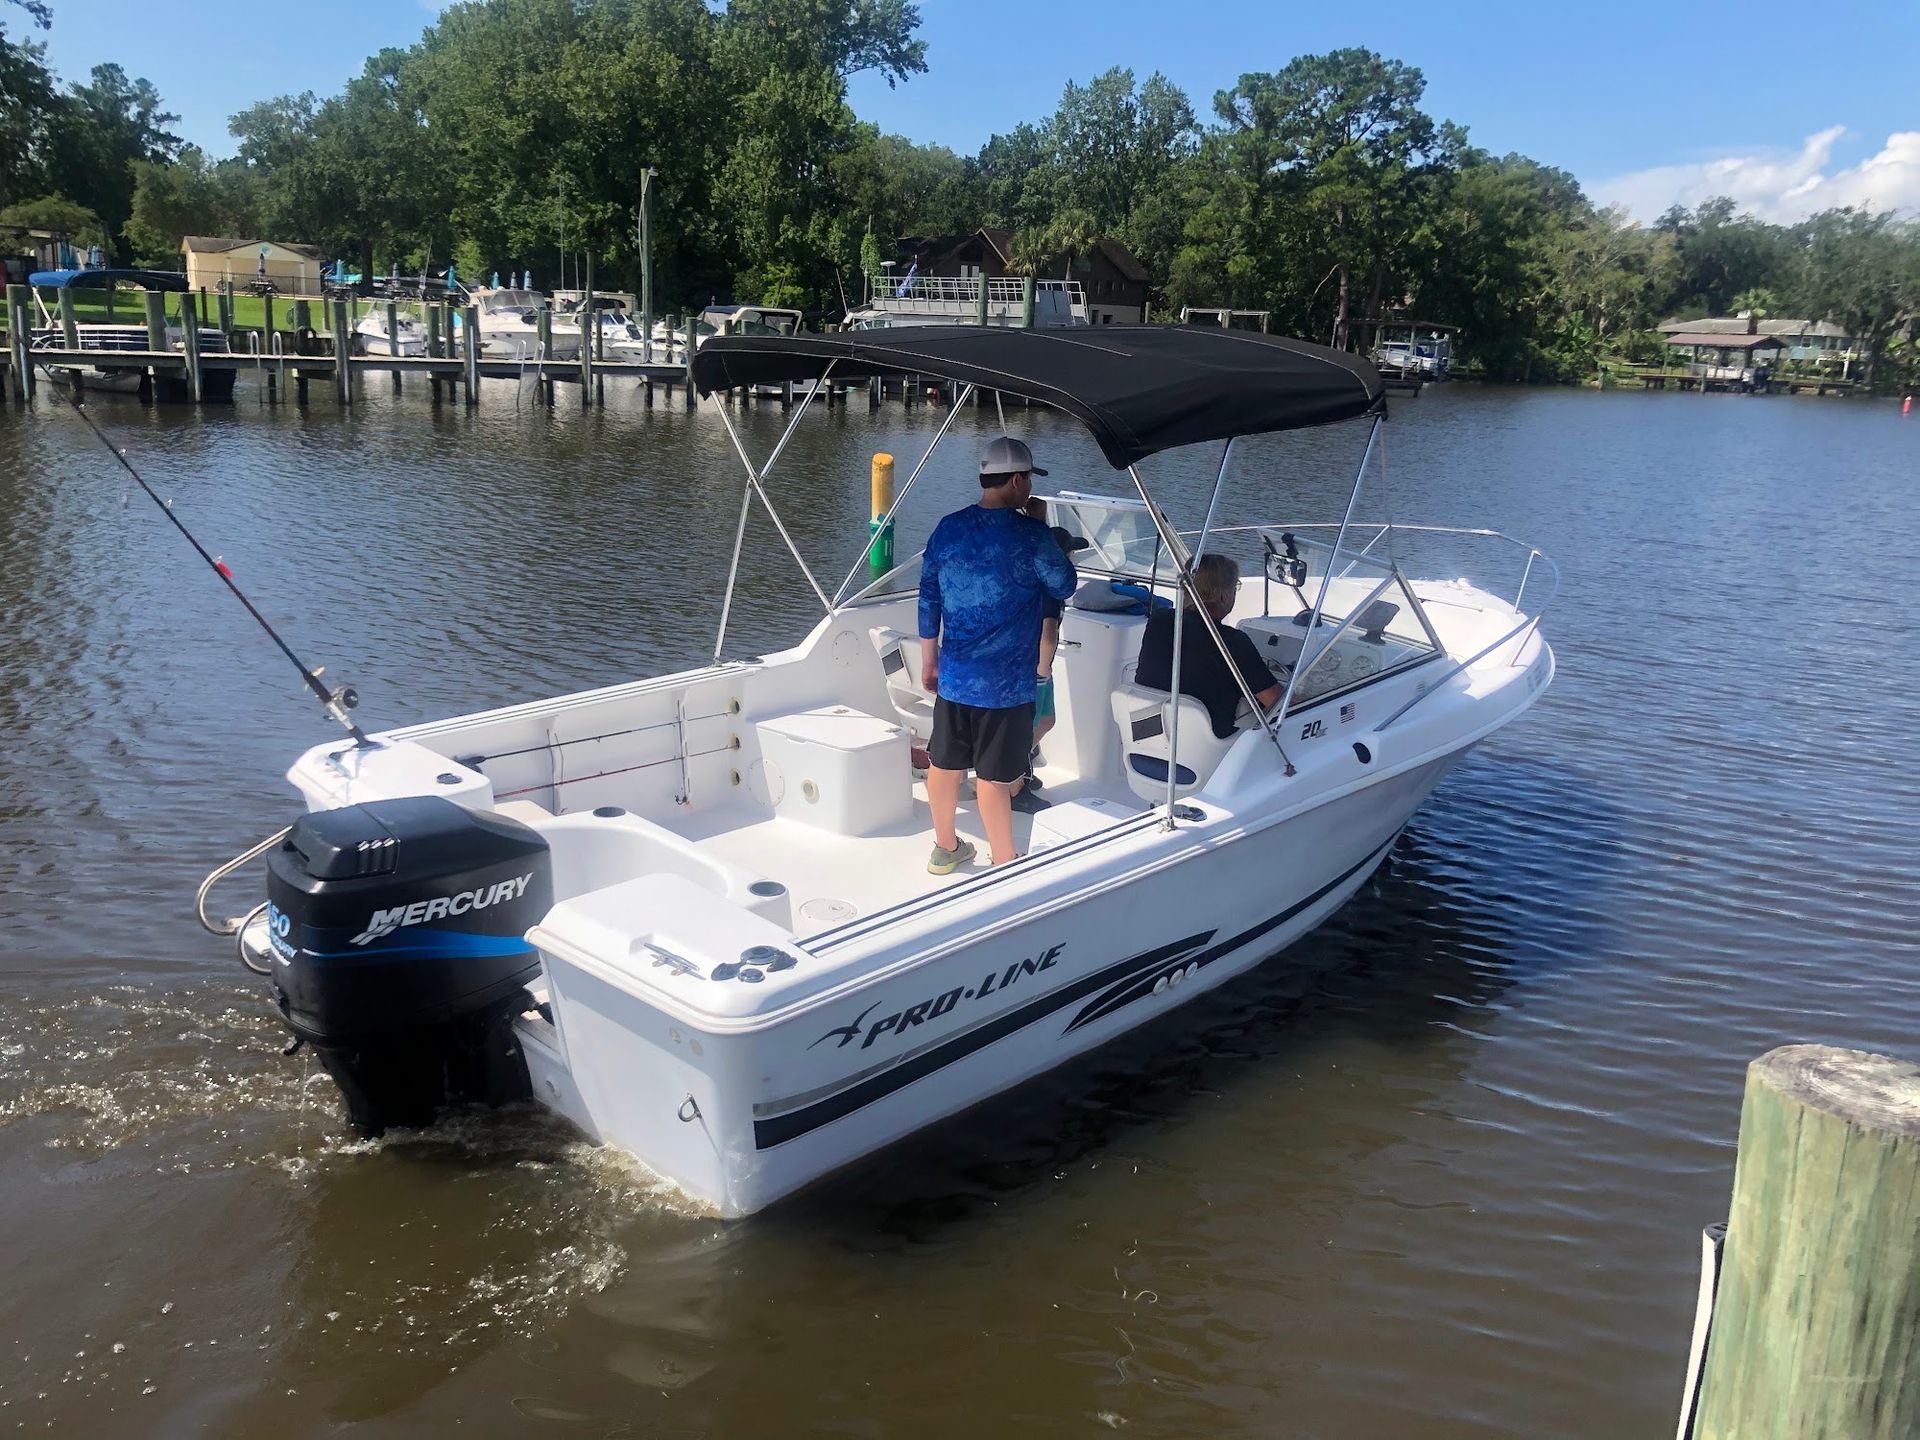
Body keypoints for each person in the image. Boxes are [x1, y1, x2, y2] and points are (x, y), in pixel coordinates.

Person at [919, 437, 1079, 872]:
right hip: (1005, 687)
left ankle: (946, 848)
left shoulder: (948, 527)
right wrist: (1042, 528)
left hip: (955, 677)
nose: (1028, 487)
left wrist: (929, 659)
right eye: (1027, 479)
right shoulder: (1031, 536)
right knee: (993, 777)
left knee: (945, 764)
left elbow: (929, 597)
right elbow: (1064, 584)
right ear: (1015, 480)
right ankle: (1004, 861)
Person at [1133, 553, 1282, 739]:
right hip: (1209, 751)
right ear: (1224, 596)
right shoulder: (1234, 641)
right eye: (1235, 587)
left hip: (1152, 741)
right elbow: (1278, 704)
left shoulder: (1158, 620)